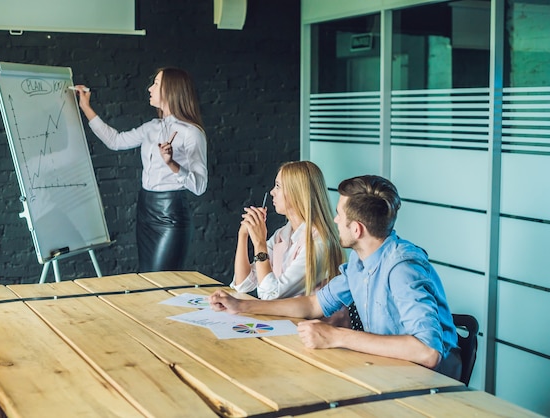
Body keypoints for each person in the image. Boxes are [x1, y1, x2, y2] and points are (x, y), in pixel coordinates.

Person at [211, 175, 461, 380]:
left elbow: (428, 352)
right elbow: (313, 304)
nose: (334, 219)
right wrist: (243, 305)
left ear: (356, 229)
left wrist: (337, 336)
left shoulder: (403, 268)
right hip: (388, 371)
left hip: (431, 385)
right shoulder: (360, 261)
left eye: (339, 214)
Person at [73, 67, 207, 272]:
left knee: (162, 281)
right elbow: (115, 141)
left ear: (171, 90)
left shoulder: (191, 133)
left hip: (170, 213)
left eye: (156, 84)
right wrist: (86, 107)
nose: (150, 89)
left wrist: (172, 164)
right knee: (147, 278)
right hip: (146, 209)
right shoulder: (152, 127)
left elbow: (200, 186)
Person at [231, 161, 345, 300]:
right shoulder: (282, 234)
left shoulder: (318, 243)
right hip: (284, 320)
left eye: (278, 186)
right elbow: (242, 285)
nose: (272, 192)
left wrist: (260, 243)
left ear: (297, 192)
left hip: (310, 321)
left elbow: (271, 295)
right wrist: (243, 235)